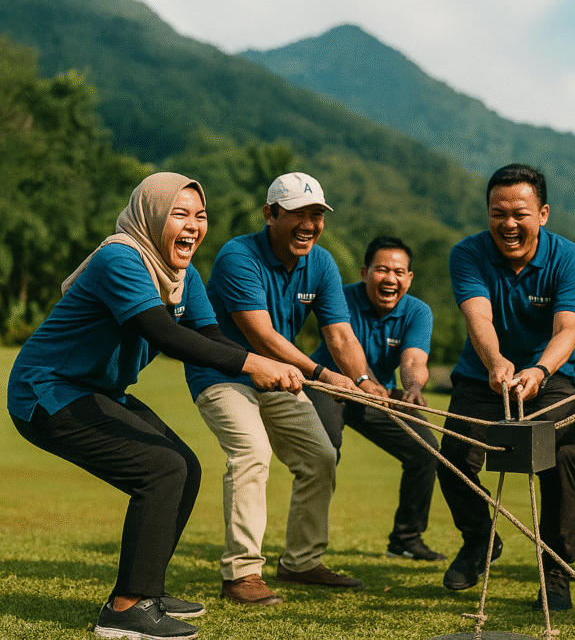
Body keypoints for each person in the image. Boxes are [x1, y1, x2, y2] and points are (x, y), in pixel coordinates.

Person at [6, 173, 304, 640]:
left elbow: (209, 336)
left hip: (97, 390)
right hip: (46, 391)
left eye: (200, 216)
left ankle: (148, 589)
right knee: (162, 469)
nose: (193, 226)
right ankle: (126, 608)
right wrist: (253, 364)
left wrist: (274, 366)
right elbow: (162, 333)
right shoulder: (120, 258)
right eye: (179, 214)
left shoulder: (184, 276)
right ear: (150, 215)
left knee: (186, 466)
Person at [184, 172, 383, 606]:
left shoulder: (322, 264)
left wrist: (364, 381)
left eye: (317, 215)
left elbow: (341, 335)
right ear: (270, 214)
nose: (309, 224)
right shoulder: (237, 256)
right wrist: (323, 375)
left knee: (320, 457)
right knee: (252, 452)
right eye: (297, 214)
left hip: (278, 377)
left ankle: (301, 562)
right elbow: (261, 336)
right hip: (222, 374)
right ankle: (242, 574)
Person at [439, 163, 575, 612]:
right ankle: (479, 540)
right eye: (497, 213)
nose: (508, 224)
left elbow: (567, 330)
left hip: (551, 375)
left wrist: (539, 371)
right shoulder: (468, 253)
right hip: (483, 374)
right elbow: (478, 317)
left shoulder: (571, 258)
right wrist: (497, 361)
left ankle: (556, 574)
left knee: (559, 454)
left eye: (519, 214)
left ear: (542, 214)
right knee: (452, 456)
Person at [306, 235, 445, 561]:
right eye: (382, 270)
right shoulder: (341, 298)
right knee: (324, 454)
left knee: (425, 450)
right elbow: (341, 343)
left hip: (376, 395)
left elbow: (414, 359)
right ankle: (307, 548)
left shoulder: (418, 312)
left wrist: (413, 387)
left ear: (409, 278)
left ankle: (406, 539)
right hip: (329, 387)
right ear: (364, 272)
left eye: (399, 272)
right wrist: (364, 381)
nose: (390, 279)